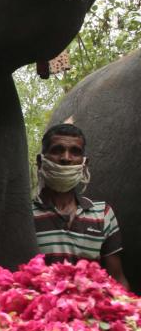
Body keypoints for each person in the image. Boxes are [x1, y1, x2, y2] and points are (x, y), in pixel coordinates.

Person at [33, 123, 129, 287]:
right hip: (39, 310)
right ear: (41, 161)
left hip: (91, 311)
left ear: (84, 163)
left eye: (75, 152)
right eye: (57, 150)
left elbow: (117, 280)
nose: (66, 158)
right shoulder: (25, 216)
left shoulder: (103, 213)